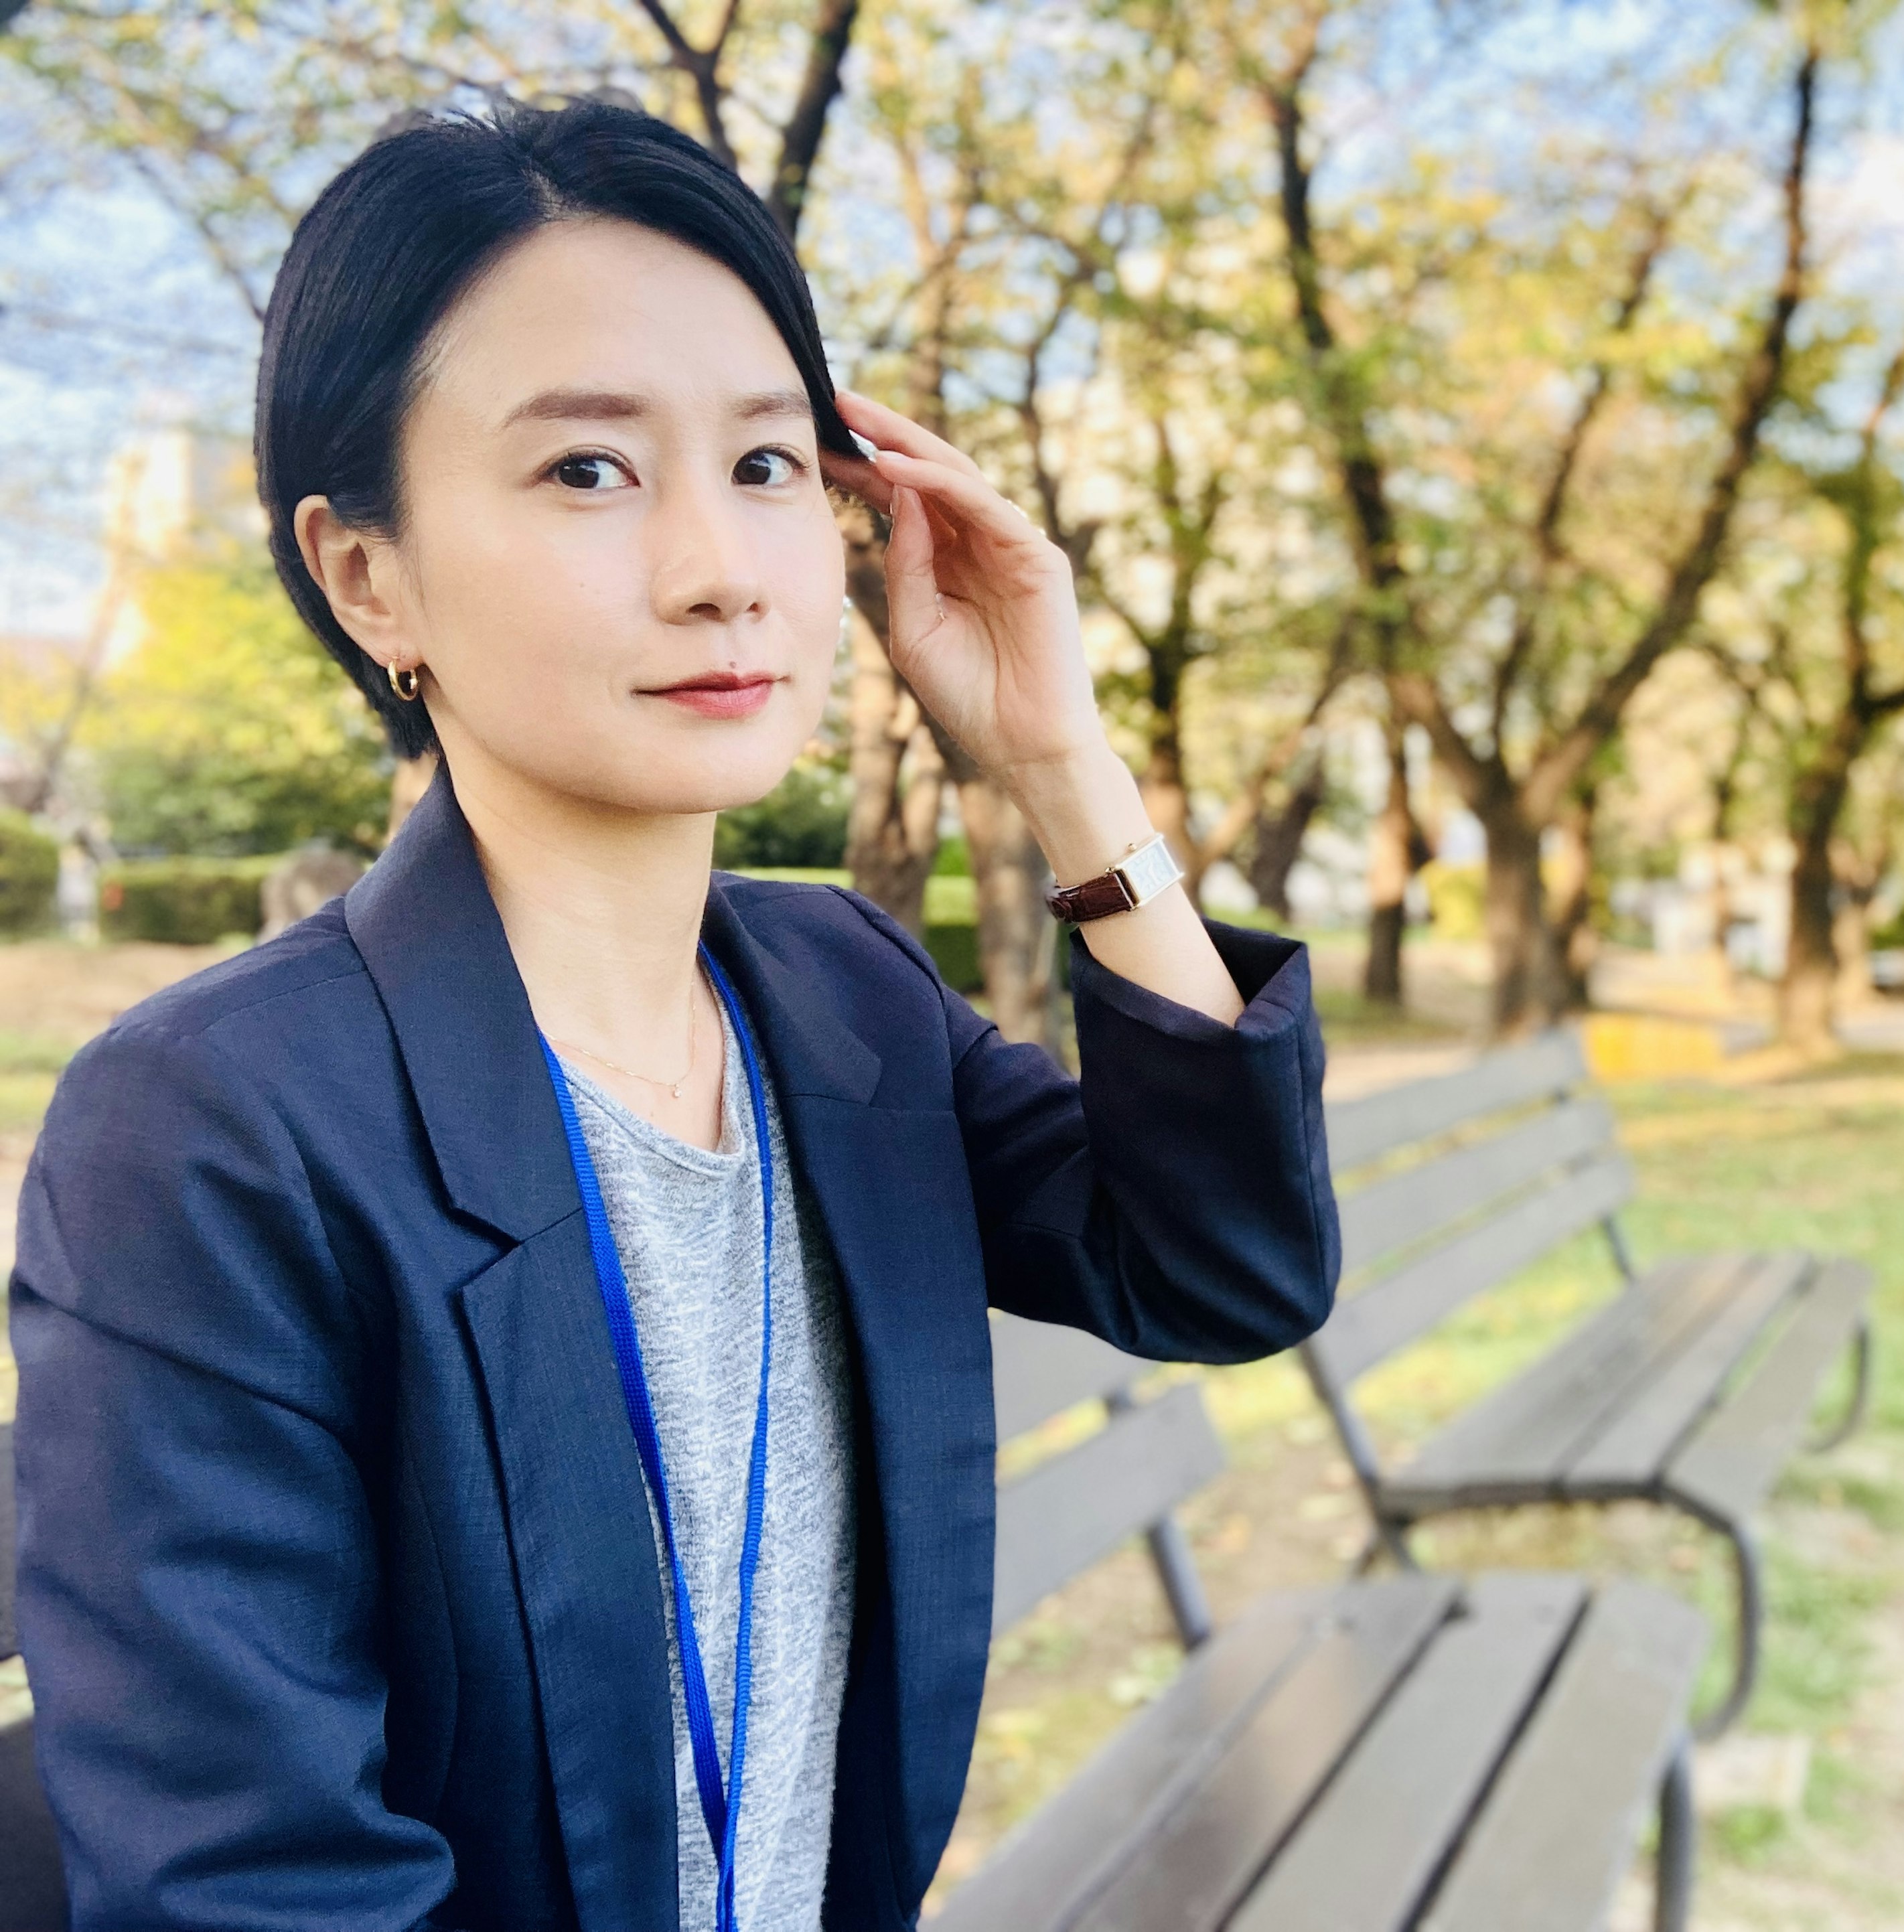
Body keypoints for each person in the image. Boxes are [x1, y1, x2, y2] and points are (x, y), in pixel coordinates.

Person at [7, 97, 1338, 1931]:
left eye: (772, 464)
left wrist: (1062, 758)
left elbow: (1221, 1273)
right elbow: (256, 1891)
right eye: (587, 473)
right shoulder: (216, 1124)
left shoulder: (841, 994)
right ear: (364, 574)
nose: (720, 566)